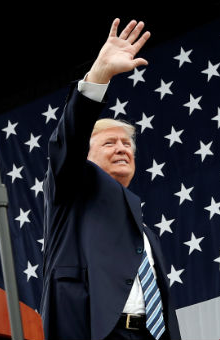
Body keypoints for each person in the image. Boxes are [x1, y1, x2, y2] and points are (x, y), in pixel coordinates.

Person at [40, 18, 181, 340]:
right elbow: (71, 137)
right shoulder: (71, 190)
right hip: (98, 331)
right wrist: (100, 75)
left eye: (127, 144)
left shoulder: (141, 230)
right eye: (109, 143)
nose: (122, 149)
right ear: (85, 155)